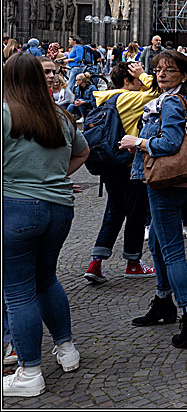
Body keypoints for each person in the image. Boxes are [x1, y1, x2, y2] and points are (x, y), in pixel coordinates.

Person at [2, 55, 89, 397]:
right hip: (59, 210)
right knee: (46, 279)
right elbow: (84, 153)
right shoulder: (61, 116)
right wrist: (53, 179)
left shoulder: (6, 114)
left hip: (18, 210)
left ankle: (30, 371)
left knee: (18, 290)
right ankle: (67, 349)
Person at [119, 49, 187, 350]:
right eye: (158, 69)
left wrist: (139, 142)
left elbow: (170, 143)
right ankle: (163, 302)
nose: (160, 74)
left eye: (169, 70)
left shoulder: (171, 101)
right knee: (157, 243)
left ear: (183, 75)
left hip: (165, 183)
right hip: (179, 181)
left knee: (171, 251)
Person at [85, 60, 161, 283]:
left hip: (110, 163)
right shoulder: (129, 98)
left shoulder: (105, 96)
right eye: (137, 81)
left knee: (114, 211)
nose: (141, 84)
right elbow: (158, 91)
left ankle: (96, 261)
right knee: (136, 213)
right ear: (127, 80)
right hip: (129, 164)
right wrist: (144, 74)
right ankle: (133, 263)